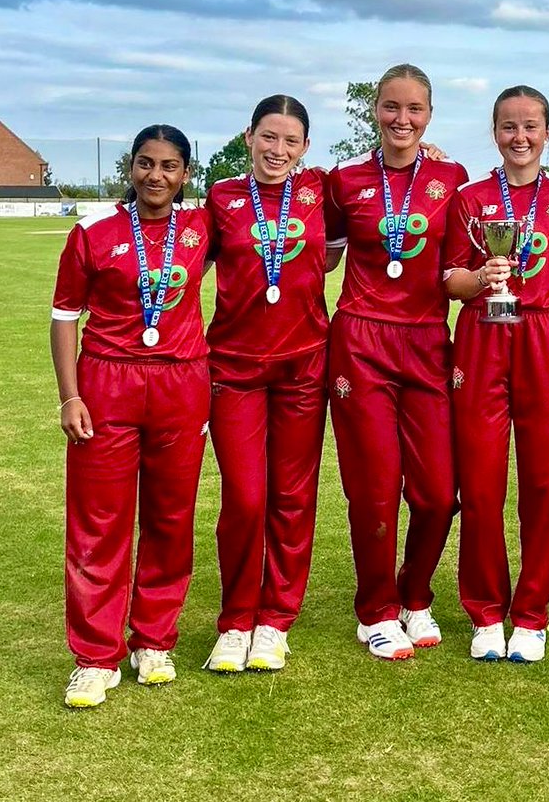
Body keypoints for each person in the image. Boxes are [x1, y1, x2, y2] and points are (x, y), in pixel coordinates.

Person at [51, 125, 210, 708]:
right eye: (145, 163)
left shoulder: (204, 225)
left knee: (171, 517)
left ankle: (154, 640)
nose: (156, 176)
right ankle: (96, 656)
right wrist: (70, 396)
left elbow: (277, 190)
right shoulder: (93, 231)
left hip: (181, 383)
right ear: (130, 166)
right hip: (107, 383)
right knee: (99, 522)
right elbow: (64, 316)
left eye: (169, 166)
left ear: (186, 173)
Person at [324, 63, 469, 660]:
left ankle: (415, 592)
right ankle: (377, 610)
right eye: (390, 106)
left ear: (430, 115)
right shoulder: (343, 180)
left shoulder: (452, 177)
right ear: (374, 111)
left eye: (414, 109)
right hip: (361, 341)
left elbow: (459, 264)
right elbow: (321, 254)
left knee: (438, 494)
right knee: (375, 489)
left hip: (428, 340)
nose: (401, 119)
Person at [443, 86, 549, 663]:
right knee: (480, 484)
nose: (519, 137)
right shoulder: (468, 197)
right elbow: (450, 278)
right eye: (508, 126)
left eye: (530, 126)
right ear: (494, 131)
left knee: (545, 484)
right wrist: (481, 278)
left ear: (548, 131)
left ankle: (531, 613)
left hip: (546, 335)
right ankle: (485, 610)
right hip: (482, 333)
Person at [202, 96, 330, 673]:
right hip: (235, 368)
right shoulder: (221, 197)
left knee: (292, 496)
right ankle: (236, 620)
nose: (278, 150)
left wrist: (424, 151)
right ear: (248, 136)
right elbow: (187, 265)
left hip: (304, 365)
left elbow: (382, 183)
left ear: (305, 147)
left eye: (291, 141)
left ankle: (276, 619)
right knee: (246, 497)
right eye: (269, 137)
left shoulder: (322, 191)